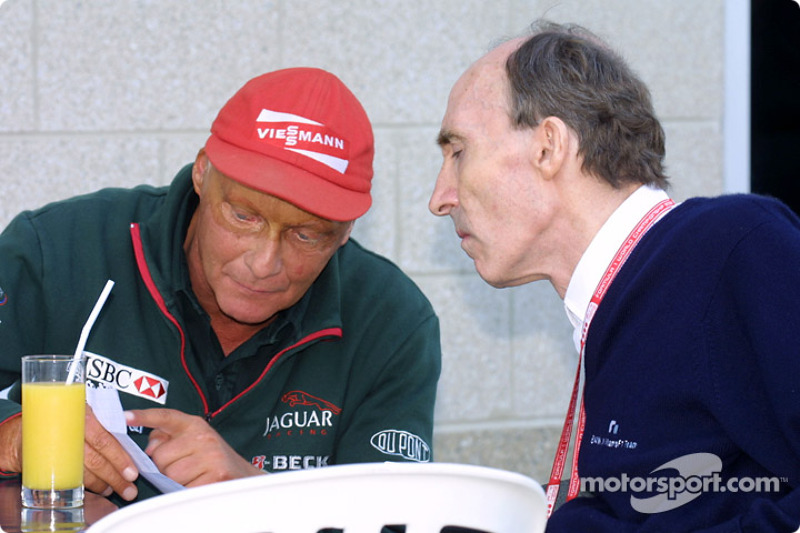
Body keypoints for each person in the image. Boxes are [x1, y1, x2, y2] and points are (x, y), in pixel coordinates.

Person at [0, 67, 441, 505]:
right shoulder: (54, 252)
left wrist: (254, 493)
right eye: (243, 216)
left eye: (306, 235)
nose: (264, 263)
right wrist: (13, 435)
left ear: (346, 230)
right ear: (201, 172)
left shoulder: (393, 322)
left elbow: (394, 514)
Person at [429, 20, 800, 532]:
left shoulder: (735, 245)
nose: (439, 198)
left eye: (458, 152)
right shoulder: (620, 307)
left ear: (548, 146)